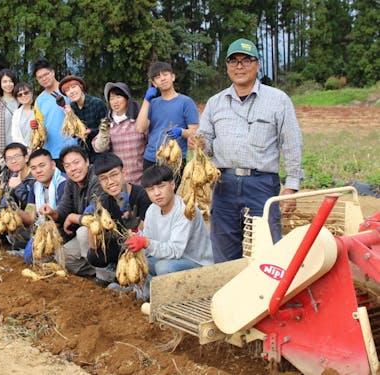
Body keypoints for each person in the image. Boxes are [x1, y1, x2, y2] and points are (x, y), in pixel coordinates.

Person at [197, 38, 303, 263]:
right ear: (227, 67)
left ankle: (269, 295)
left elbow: (292, 143)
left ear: (257, 65)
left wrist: (292, 186)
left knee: (267, 248)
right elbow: (205, 142)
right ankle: (231, 295)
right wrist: (197, 144)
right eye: (233, 61)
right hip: (223, 183)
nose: (240, 66)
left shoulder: (278, 100)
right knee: (224, 249)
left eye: (246, 60)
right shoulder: (215, 103)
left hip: (262, 184)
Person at [126, 165, 213, 276]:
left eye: (161, 186)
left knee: (163, 267)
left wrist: (145, 242)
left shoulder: (185, 210)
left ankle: (167, 293)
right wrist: (135, 232)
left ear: (172, 185)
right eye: (151, 189)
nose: (157, 193)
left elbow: (175, 251)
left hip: (196, 263)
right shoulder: (152, 210)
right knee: (138, 262)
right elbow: (148, 250)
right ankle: (144, 293)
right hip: (168, 259)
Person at [84, 153, 151, 285]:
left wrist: (135, 222)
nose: (110, 182)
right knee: (94, 256)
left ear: (124, 172)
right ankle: (115, 272)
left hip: (144, 246)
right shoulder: (104, 201)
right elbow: (93, 246)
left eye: (114, 175)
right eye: (103, 178)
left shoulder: (142, 195)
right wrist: (92, 223)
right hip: (122, 245)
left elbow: (152, 233)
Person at [40, 145, 103, 276]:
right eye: (67, 166)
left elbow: (94, 216)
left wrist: (73, 217)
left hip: (103, 232)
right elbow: (64, 209)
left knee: (83, 231)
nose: (73, 168)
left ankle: (104, 274)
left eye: (76, 162)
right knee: (63, 257)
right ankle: (100, 272)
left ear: (86, 161)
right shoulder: (71, 182)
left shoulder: (97, 179)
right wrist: (52, 213)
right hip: (84, 234)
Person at [135, 62, 199, 172]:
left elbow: (195, 132)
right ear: (154, 83)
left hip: (175, 159)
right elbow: (140, 128)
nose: (162, 79)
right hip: (152, 158)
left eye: (165, 74)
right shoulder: (152, 103)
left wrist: (181, 132)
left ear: (173, 77)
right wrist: (146, 100)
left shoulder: (186, 102)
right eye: (157, 77)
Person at [92, 82, 146, 184]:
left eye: (118, 96)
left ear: (127, 98)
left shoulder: (139, 120)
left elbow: (150, 143)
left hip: (141, 178)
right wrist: (103, 135)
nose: (115, 101)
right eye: (111, 98)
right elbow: (99, 148)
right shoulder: (108, 124)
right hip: (120, 181)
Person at [19, 149, 67, 261]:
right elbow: (30, 211)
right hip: (42, 227)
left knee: (31, 257)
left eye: (42, 165)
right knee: (17, 232)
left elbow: (61, 216)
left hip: (60, 228)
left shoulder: (63, 183)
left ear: (53, 165)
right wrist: (15, 211)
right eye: (34, 168)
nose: (38, 171)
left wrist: (40, 235)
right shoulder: (35, 186)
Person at [33, 60, 77, 168]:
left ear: (52, 72)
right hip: (51, 152)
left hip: (72, 147)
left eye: (46, 74)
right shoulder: (39, 100)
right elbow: (40, 125)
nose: (44, 78)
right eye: (40, 77)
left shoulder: (68, 90)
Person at [58, 75, 107, 162]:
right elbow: (73, 132)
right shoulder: (71, 108)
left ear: (81, 87)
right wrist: (69, 116)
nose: (71, 91)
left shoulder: (97, 103)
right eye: (67, 90)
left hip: (101, 152)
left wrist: (90, 131)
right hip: (84, 153)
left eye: (74, 87)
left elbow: (106, 129)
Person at [0, 68, 18, 152]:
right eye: (5, 81)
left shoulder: (21, 102)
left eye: (10, 81)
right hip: (4, 150)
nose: (8, 84)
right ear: (0, 84)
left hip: (22, 148)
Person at [10, 82, 35, 149]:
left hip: (41, 149)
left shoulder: (40, 109)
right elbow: (15, 135)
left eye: (26, 93)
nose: (23, 96)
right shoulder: (16, 113)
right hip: (24, 150)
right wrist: (26, 148)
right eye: (20, 95)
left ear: (31, 93)